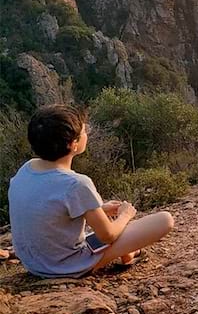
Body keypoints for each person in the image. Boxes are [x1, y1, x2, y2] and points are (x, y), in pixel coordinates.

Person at [9, 105, 174, 278]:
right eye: (84, 130)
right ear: (73, 144)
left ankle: (129, 252)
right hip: (64, 267)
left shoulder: (27, 169)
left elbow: (47, 212)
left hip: (34, 263)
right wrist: (125, 215)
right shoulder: (76, 183)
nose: (86, 132)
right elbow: (108, 235)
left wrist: (99, 209)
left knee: (102, 229)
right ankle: (123, 253)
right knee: (164, 220)